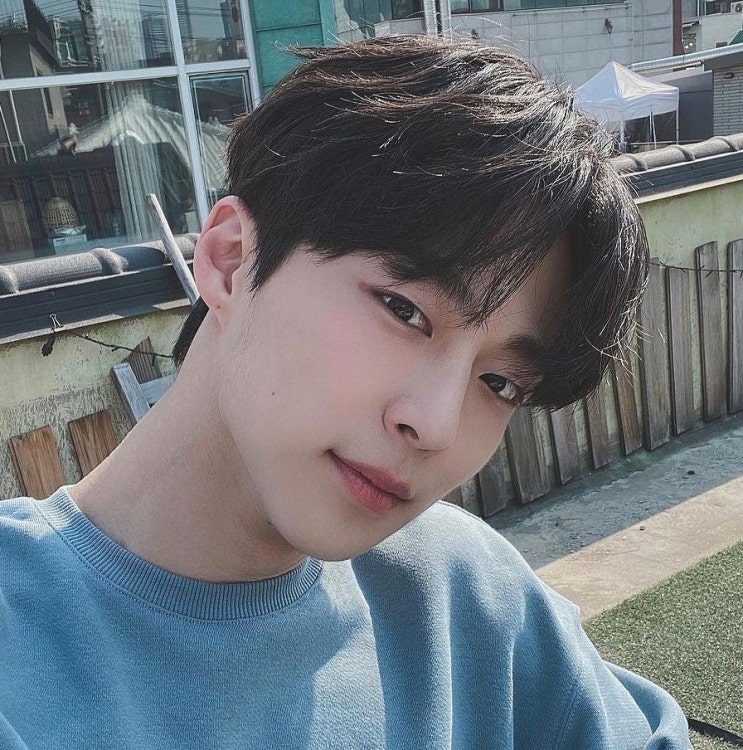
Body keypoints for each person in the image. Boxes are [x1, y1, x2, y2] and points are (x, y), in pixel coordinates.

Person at [0, 36, 691, 749]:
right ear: (231, 260)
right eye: (403, 310)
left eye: (499, 383)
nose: (437, 425)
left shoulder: (463, 593)